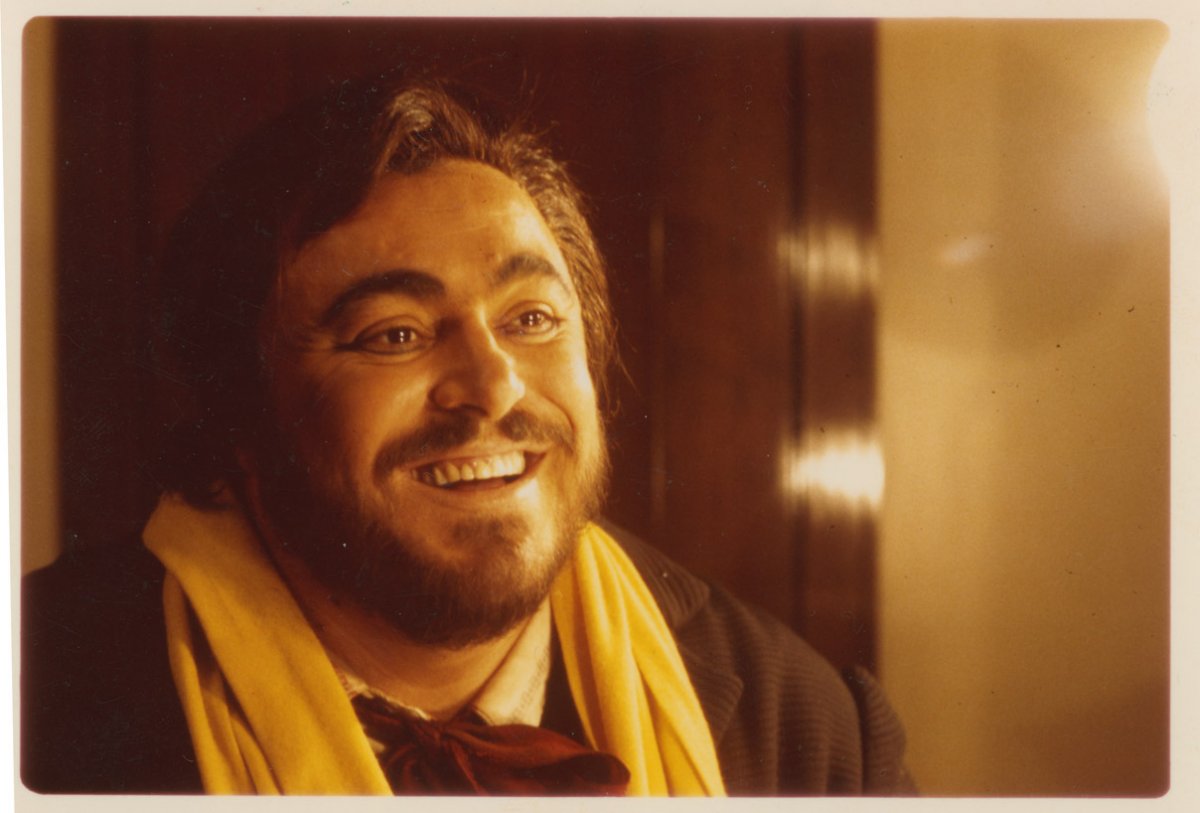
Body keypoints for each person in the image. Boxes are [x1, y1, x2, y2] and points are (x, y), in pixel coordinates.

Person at [21, 76, 914, 796]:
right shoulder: (35, 701)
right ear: (241, 412)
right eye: (394, 334)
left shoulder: (812, 735)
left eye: (532, 318)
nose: (492, 385)